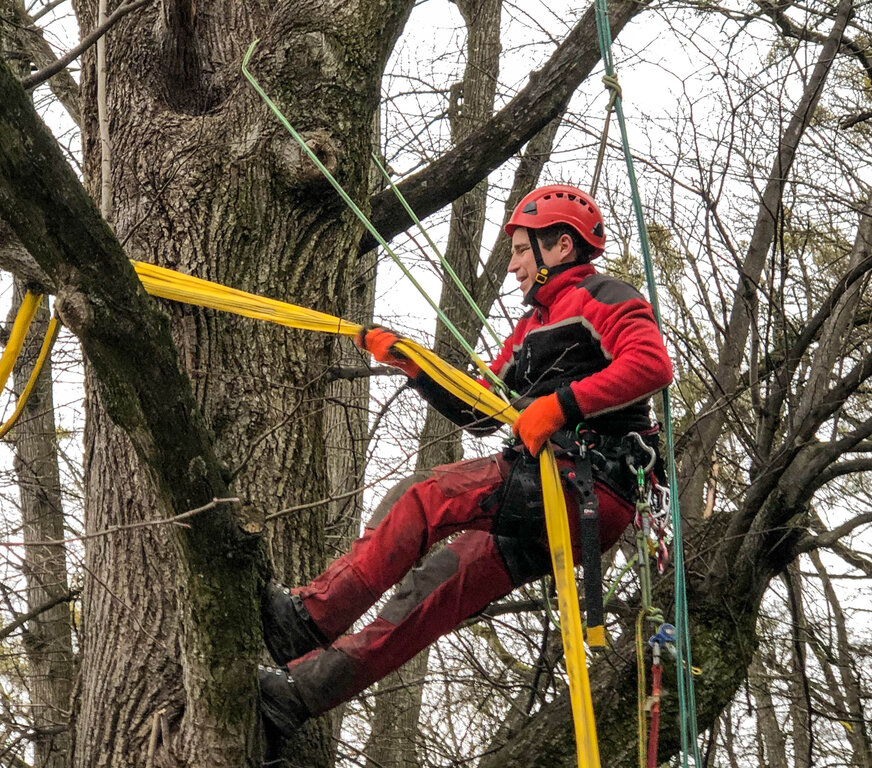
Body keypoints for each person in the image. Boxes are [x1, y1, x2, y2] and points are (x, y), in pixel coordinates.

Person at [257, 184, 673, 748]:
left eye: (524, 251)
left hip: (588, 485)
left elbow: (650, 363)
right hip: (552, 500)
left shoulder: (602, 295)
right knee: (431, 593)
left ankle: (308, 618)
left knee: (427, 497)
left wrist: (559, 406)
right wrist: (413, 364)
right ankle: (294, 696)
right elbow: (478, 412)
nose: (515, 266)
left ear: (560, 246)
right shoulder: (528, 332)